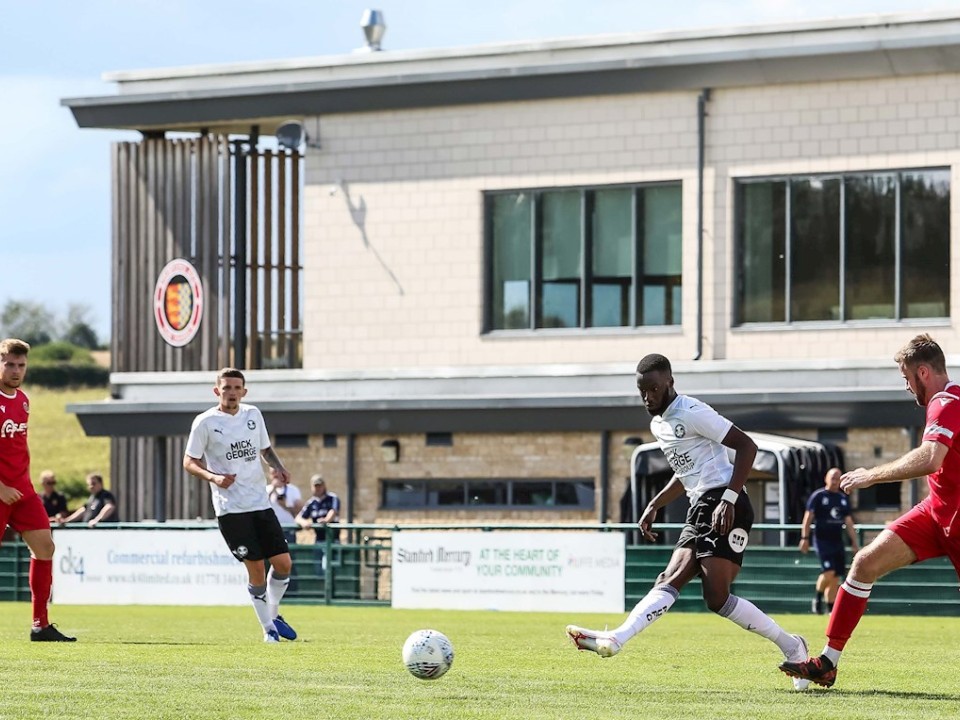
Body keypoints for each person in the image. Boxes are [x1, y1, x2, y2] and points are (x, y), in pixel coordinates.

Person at [566, 353, 808, 690]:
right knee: (677, 582)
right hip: (701, 506)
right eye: (642, 391)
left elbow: (747, 447)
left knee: (714, 596)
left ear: (670, 382)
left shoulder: (692, 411)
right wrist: (655, 504)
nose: (647, 397)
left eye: (653, 389)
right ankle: (616, 638)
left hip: (725, 501)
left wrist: (729, 499)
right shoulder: (658, 425)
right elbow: (685, 473)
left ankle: (793, 646)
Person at [782, 333, 960, 689]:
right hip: (936, 513)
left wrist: (871, 475)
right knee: (864, 563)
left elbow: (930, 458)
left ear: (923, 372)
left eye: (906, 378)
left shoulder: (946, 402)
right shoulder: (946, 402)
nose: (907, 387)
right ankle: (827, 663)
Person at [183, 367, 297, 643]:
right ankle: (268, 630)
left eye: (236, 388)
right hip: (231, 509)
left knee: (283, 564)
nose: (232, 393)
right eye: (226, 388)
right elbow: (189, 462)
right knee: (256, 570)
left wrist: (279, 467)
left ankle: (273, 614)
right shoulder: (205, 422)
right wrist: (214, 477)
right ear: (217, 391)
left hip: (260, 503)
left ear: (244, 391)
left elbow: (265, 449)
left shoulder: (253, 414)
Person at [0, 338, 76, 641]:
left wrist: (19, 483)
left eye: (21, 365)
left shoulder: (23, 400)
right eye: (9, 364)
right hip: (1, 491)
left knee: (45, 547)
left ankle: (40, 625)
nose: (16, 370)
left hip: (23, 492)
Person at [799, 467, 859, 614]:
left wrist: (854, 542)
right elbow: (808, 518)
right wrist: (805, 538)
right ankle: (818, 598)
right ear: (826, 478)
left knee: (836, 576)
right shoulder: (818, 496)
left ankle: (830, 608)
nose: (835, 481)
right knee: (829, 572)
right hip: (822, 540)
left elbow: (849, 522)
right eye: (832, 478)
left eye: (838, 478)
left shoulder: (842, 499)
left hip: (837, 541)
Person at [296, 475, 340, 577]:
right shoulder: (311, 503)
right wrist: (304, 523)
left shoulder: (332, 498)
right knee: (318, 570)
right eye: (315, 486)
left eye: (320, 486)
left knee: (329, 570)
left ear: (324, 486)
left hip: (332, 540)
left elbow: (333, 511)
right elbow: (298, 518)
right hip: (319, 541)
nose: (318, 488)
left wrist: (326, 520)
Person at [266, 466, 303, 542]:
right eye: (273, 473)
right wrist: (273, 489)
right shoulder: (266, 489)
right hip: (270, 529)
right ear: (270, 475)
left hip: (288, 529)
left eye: (278, 472)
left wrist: (285, 506)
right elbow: (261, 505)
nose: (276, 475)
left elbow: (299, 510)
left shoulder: (293, 490)